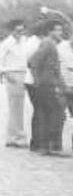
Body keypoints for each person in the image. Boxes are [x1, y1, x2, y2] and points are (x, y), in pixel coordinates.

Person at [27, 20, 67, 156]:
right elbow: (33, 61)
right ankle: (51, 146)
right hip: (47, 84)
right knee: (55, 114)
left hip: (50, 83)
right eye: (57, 30)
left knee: (50, 114)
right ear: (50, 32)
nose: (60, 33)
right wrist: (38, 80)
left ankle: (48, 146)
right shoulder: (48, 44)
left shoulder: (51, 44)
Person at [1, 19, 31, 147]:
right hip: (13, 74)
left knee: (19, 107)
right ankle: (17, 136)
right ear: (12, 30)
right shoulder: (7, 43)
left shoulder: (24, 42)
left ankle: (13, 136)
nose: (20, 33)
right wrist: (6, 74)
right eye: (17, 30)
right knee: (15, 107)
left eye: (22, 30)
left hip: (23, 74)